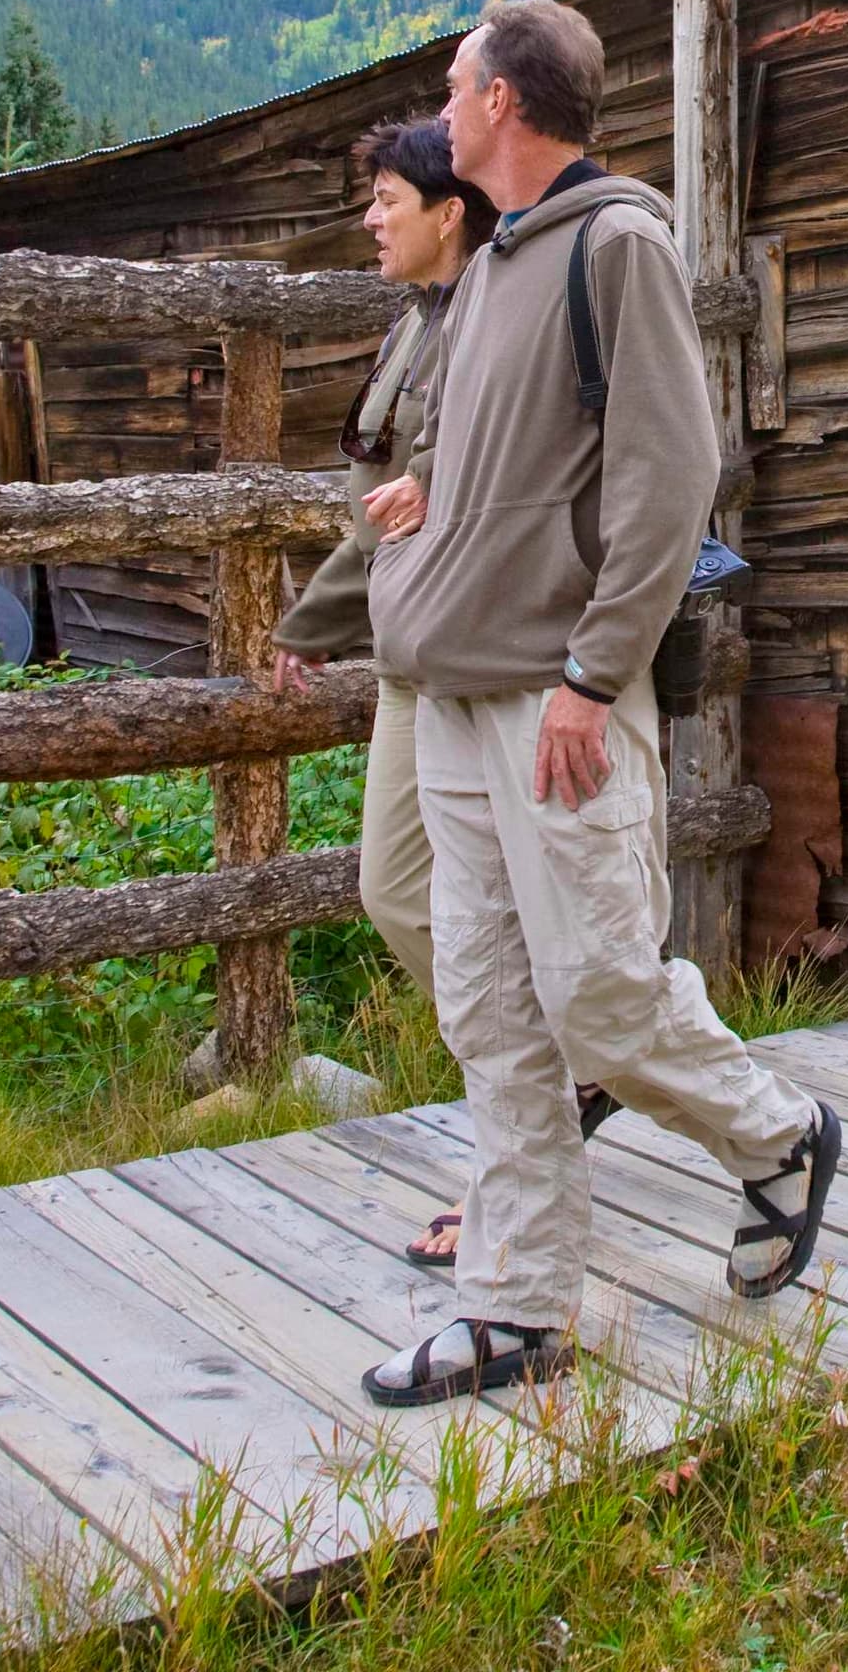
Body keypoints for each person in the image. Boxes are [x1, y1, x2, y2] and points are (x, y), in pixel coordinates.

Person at [357, 0, 843, 1408]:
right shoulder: (495, 266)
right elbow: (513, 464)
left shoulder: (615, 245)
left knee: (599, 993)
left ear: (505, 102)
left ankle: (779, 1134)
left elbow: (666, 475)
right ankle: (516, 1308)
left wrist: (592, 671)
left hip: (556, 702)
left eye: (455, 88)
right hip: (456, 698)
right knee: (494, 1009)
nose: (443, 110)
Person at [263, 115, 517, 1261]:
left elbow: (433, 498)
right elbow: (383, 504)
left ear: (448, 210)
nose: (370, 219)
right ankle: (544, 1090)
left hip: (478, 655)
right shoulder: (415, 322)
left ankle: (522, 1133)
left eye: (388, 201)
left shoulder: (487, 325)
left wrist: (312, 623)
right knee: (397, 888)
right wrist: (323, 623)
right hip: (413, 648)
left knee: (463, 906)